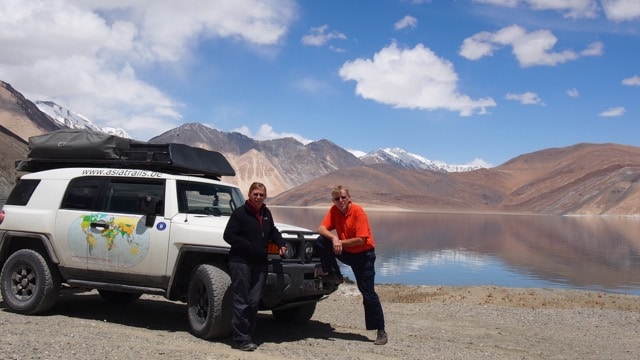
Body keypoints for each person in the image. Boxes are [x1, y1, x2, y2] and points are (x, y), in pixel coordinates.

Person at [315, 185, 388, 345]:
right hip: (347, 251)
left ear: (349, 198)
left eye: (343, 197)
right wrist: (334, 239)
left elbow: (361, 239)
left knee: (367, 293)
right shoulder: (334, 211)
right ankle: (334, 274)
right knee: (321, 242)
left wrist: (338, 241)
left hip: (364, 256)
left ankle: (381, 331)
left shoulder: (357, 211)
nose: (340, 201)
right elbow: (321, 228)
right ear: (333, 200)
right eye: (336, 199)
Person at [223, 182, 287, 351]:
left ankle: (248, 334)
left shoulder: (266, 213)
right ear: (249, 195)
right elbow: (228, 235)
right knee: (241, 300)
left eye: (261, 195)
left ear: (265, 196)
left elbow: (272, 230)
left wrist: (280, 242)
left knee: (253, 301)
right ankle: (241, 339)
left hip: (259, 263)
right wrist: (249, 247)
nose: (258, 197)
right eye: (255, 194)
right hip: (241, 261)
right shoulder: (240, 213)